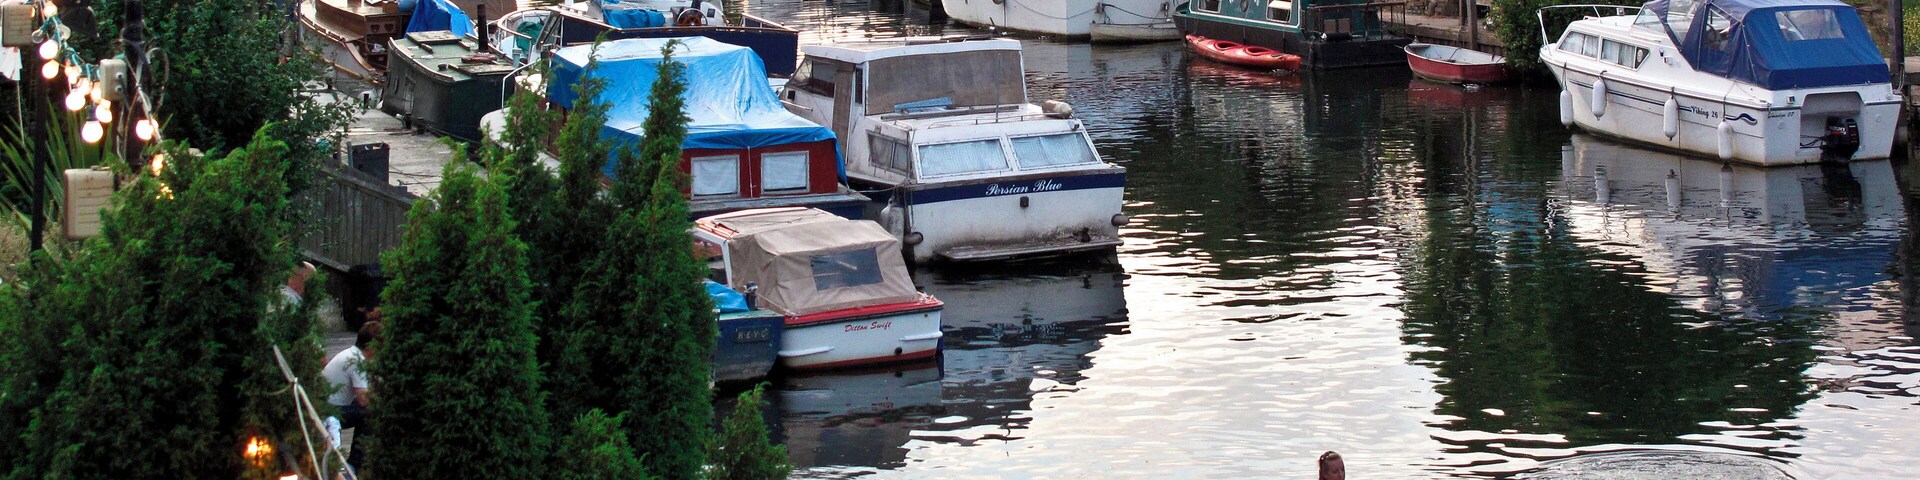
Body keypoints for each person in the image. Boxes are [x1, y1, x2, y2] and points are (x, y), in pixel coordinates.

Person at [322, 320, 382, 469]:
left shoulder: (351, 353)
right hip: (330, 410)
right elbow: (363, 399)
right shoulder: (356, 361)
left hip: (329, 404)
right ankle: (356, 464)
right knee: (371, 413)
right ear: (371, 346)